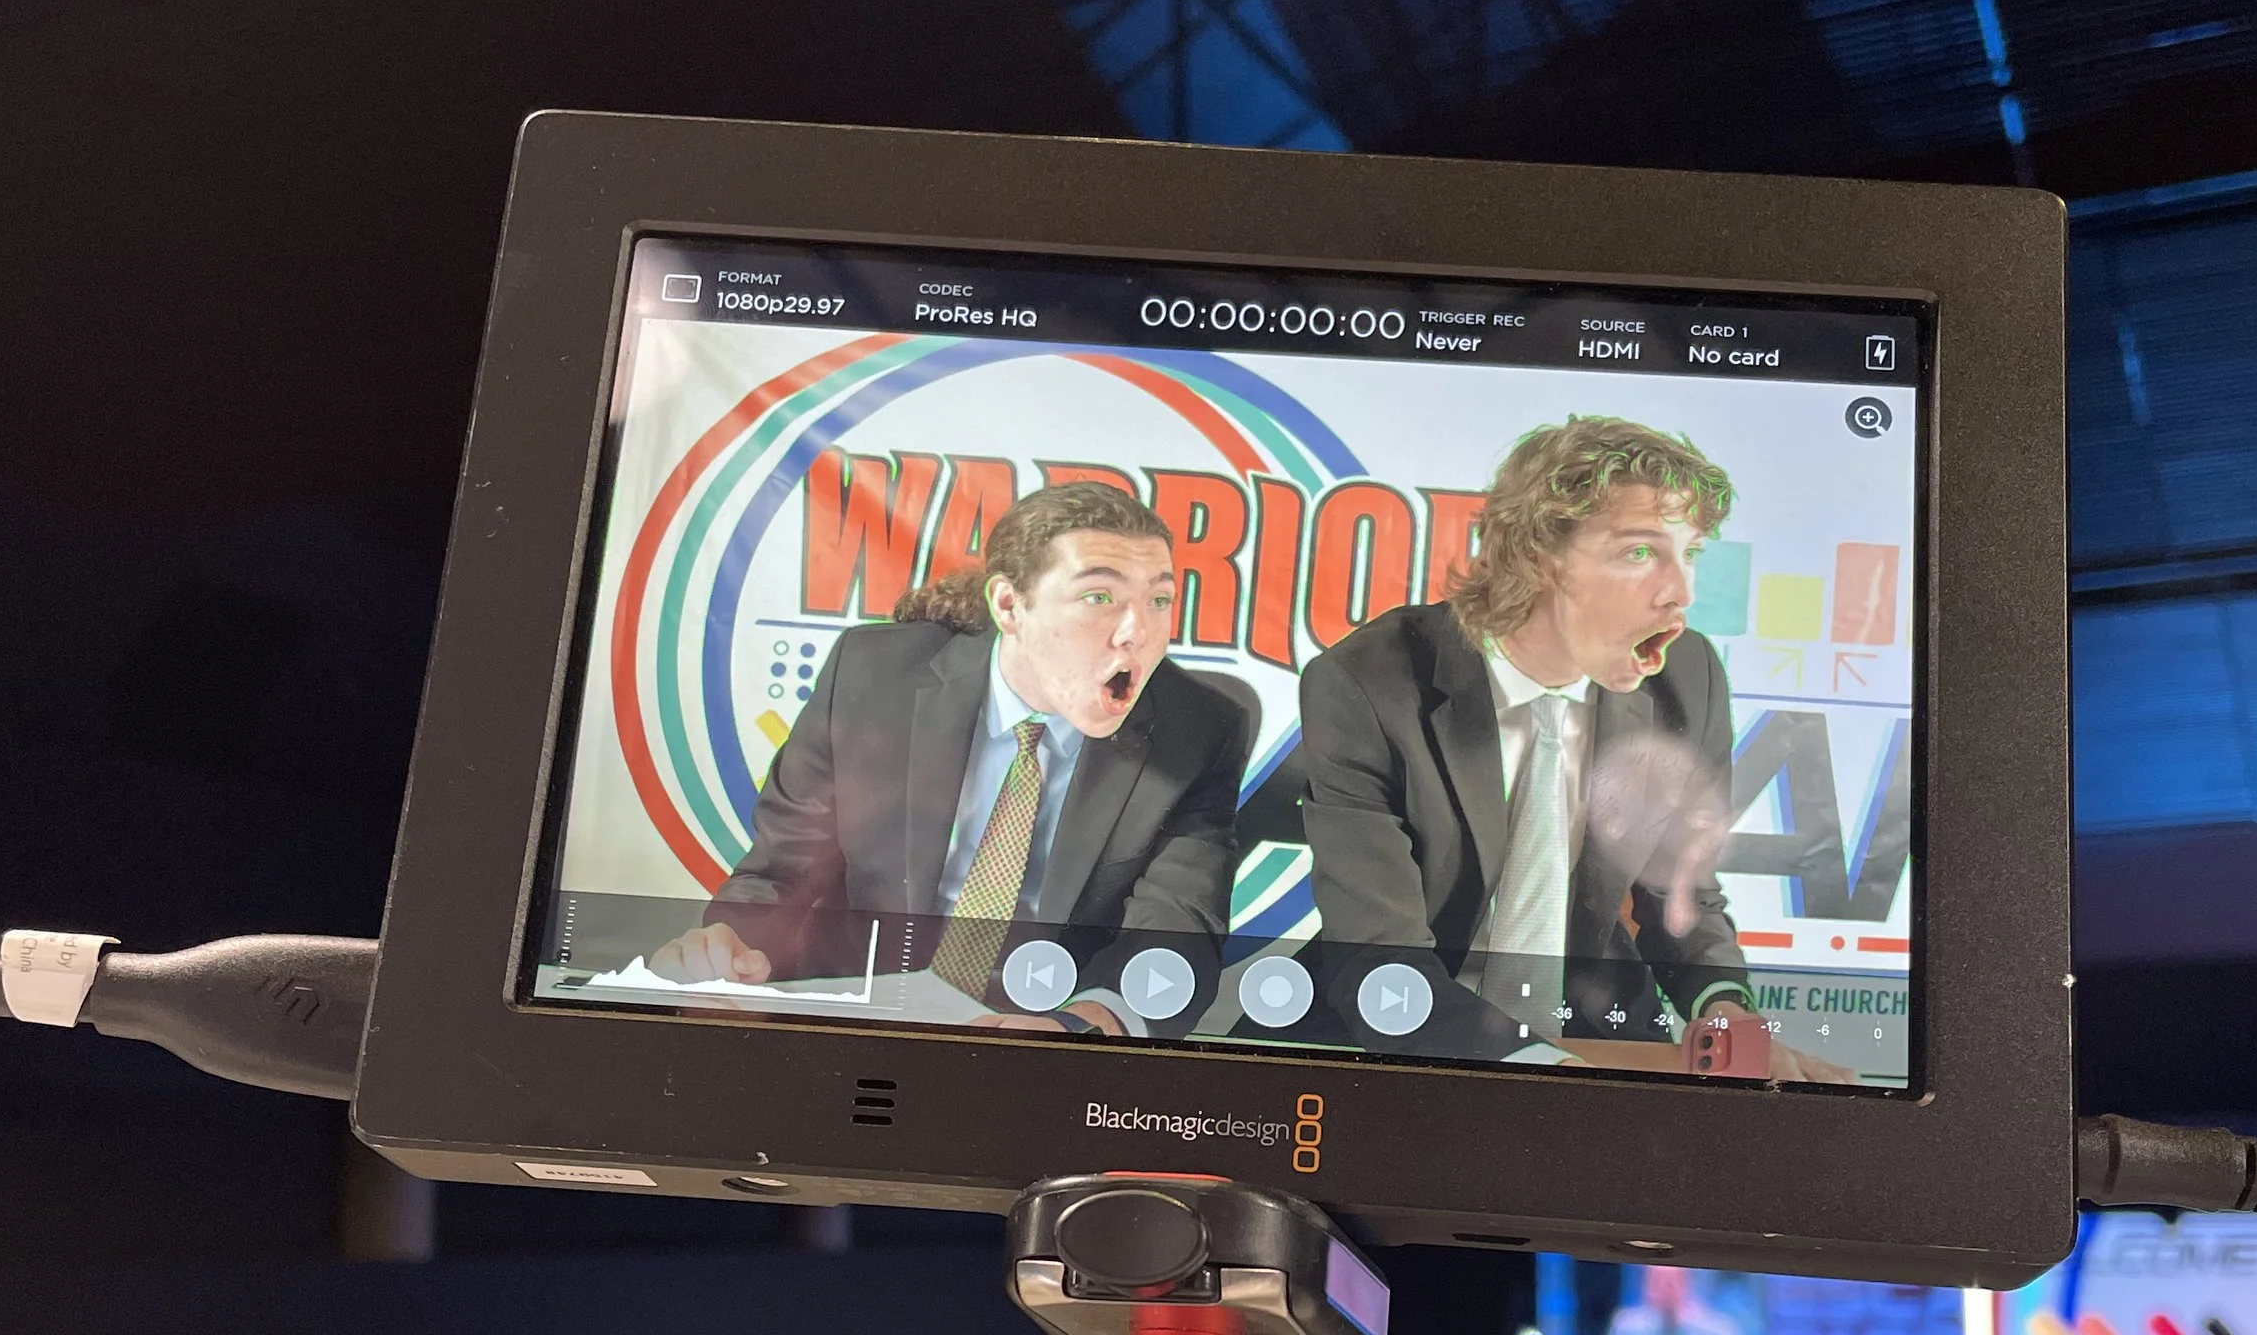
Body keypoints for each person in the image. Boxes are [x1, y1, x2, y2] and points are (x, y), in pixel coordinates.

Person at [1299, 412, 1843, 1076]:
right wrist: (1547, 1077)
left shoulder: (1689, 676)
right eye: (1639, 552)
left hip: (1596, 1030)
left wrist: (1726, 1010)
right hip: (1401, 1044)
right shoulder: (1367, 683)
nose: (1683, 592)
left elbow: (1683, 896)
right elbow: (1379, 953)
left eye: (1689, 552)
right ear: (1538, 557)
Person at [650, 479, 1254, 1033]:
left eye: (1159, 601)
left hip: (1040, 1038)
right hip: (851, 1018)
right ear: (1010, 606)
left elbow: (1175, 932)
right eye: (1099, 596)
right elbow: (781, 870)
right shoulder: (871, 678)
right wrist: (728, 946)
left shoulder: (1198, 730)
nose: (1137, 633)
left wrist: (1084, 1024)